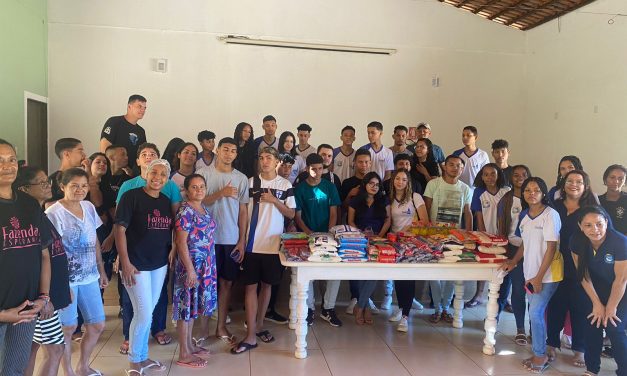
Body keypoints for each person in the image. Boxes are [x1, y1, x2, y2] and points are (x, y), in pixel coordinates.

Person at [116, 143, 181, 353]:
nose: (158, 177)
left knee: (147, 312)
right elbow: (119, 230)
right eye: (154, 171)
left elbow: (170, 228)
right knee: (143, 314)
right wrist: (124, 261)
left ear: (167, 179)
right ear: (146, 173)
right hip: (136, 265)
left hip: (159, 264)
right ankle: (136, 359)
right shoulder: (131, 196)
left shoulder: (164, 200)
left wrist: (172, 249)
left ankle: (141, 354)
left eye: (163, 174)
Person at [232, 147, 296, 354]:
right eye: (262, 157)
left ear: (277, 161)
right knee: (250, 287)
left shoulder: (285, 184)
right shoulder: (250, 183)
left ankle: (259, 325)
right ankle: (250, 335)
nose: (265, 161)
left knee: (267, 286)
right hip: (252, 245)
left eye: (269, 157)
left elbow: (292, 214)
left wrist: (275, 200)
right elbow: (242, 213)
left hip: (273, 245)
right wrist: (241, 241)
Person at [45, 168, 108, 376]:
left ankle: (83, 366)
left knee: (97, 324)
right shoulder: (53, 213)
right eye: (74, 186)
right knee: (68, 329)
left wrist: (101, 269)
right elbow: (51, 253)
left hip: (90, 276)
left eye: (84, 185)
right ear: (62, 187)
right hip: (67, 280)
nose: (81, 190)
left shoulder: (88, 206)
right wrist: (61, 284)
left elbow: (94, 240)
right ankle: (68, 370)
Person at [500, 177, 563, 374]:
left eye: (536, 190)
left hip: (548, 275)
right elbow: (525, 244)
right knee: (535, 313)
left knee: (535, 313)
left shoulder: (550, 215)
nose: (531, 193)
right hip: (530, 273)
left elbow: (551, 248)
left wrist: (538, 277)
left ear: (544, 193)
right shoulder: (525, 215)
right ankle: (540, 351)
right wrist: (514, 260)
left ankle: (540, 355)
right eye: (528, 190)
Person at [0, 139, 52, 376]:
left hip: (27, 308)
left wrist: (43, 297)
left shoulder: (30, 204)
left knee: (16, 370)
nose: (7, 166)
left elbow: (43, 255)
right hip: (2, 311)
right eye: (0, 161)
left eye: (11, 159)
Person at [14, 166, 70, 376]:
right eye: (42, 183)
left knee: (32, 346)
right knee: (56, 349)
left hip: (47, 295)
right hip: (42, 298)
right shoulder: (26, 219)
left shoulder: (39, 214)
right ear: (24, 189)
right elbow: (32, 262)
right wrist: (44, 297)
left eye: (48, 181)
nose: (48, 186)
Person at [198, 137, 249, 345]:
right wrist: (221, 193)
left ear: (236, 155)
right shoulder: (203, 174)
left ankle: (220, 326)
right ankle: (203, 329)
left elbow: (243, 211)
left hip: (230, 238)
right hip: (205, 239)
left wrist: (242, 240)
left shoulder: (242, 178)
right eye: (225, 149)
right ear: (217, 150)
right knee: (204, 284)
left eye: (233, 151)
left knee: (226, 282)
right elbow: (197, 202)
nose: (229, 154)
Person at [546, 170, 597, 367]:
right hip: (556, 263)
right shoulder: (554, 206)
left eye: (579, 182)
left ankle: (579, 350)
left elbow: (602, 233)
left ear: (585, 186)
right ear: (563, 183)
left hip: (582, 268)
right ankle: (551, 344)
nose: (573, 184)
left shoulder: (590, 209)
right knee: (555, 306)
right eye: (569, 181)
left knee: (580, 308)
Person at [571, 206, 627, 376]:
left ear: (606, 223)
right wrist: (596, 303)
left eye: (599, 224)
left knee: (614, 328)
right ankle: (592, 369)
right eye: (588, 225)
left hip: (620, 293)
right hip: (592, 290)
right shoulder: (576, 240)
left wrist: (610, 307)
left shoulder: (620, 242)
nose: (595, 229)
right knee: (592, 325)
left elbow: (621, 279)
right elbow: (583, 274)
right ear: (580, 226)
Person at [172, 174, 218, 368]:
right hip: (190, 266)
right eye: (194, 187)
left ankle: (190, 346)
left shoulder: (202, 208)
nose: (199, 190)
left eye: (202, 186)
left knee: (193, 309)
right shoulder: (185, 211)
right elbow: (180, 242)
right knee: (185, 308)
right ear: (187, 190)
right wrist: (190, 270)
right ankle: (184, 353)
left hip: (205, 266)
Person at [423, 155, 473, 324]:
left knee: (452, 275)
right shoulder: (433, 184)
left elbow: (468, 212)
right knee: (434, 275)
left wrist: (468, 234)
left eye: (458, 165)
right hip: (433, 237)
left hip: (455, 237)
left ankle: (445, 308)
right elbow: (426, 208)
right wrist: (427, 233)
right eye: (451, 164)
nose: (454, 168)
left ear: (462, 169)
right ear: (444, 166)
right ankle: (437, 309)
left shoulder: (465, 188)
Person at [294, 153, 342, 327]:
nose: (317, 172)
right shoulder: (300, 189)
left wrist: (329, 233)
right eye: (313, 169)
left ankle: (328, 308)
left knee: (335, 273)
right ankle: (309, 309)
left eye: (320, 168)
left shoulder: (330, 187)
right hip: (307, 236)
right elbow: (297, 216)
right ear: (307, 169)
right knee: (309, 274)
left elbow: (334, 212)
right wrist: (309, 233)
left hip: (328, 236)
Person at [465, 163, 511, 308]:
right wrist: (484, 236)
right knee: (484, 265)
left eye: (493, 174)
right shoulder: (479, 192)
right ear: (482, 177)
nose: (490, 177)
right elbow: (478, 215)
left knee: (506, 266)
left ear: (498, 175)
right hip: (486, 234)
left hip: (505, 235)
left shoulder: (506, 191)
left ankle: (506, 299)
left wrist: (503, 235)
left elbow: (510, 215)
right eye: (486, 174)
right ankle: (479, 295)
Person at [388, 169, 429, 332]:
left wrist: (408, 230)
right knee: (398, 277)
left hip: (412, 242)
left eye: (404, 179)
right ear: (393, 181)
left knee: (409, 277)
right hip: (394, 241)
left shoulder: (415, 197)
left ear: (408, 182)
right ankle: (400, 307)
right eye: (397, 179)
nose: (400, 182)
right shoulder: (389, 198)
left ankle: (406, 315)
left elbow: (425, 221)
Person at [348, 172, 391, 325]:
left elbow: (388, 220)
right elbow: (350, 221)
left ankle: (360, 306)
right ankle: (365, 307)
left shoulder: (383, 200)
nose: (374, 187)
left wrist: (379, 236)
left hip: (379, 241)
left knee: (373, 273)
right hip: (359, 241)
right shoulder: (355, 201)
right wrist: (361, 235)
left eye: (377, 185)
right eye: (371, 183)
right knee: (361, 273)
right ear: (365, 184)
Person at [496, 165, 532, 345]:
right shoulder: (506, 199)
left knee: (527, 291)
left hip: (531, 251)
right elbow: (501, 225)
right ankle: (515, 328)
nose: (520, 177)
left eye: (524, 175)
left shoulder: (534, 198)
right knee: (510, 289)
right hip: (510, 248)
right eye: (516, 175)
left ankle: (529, 329)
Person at [340, 150, 379, 315]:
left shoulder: (376, 182)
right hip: (354, 232)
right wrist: (350, 194)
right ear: (354, 163)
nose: (363, 165)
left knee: (372, 266)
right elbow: (342, 207)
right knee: (354, 263)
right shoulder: (348, 182)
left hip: (375, 234)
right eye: (360, 162)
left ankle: (366, 298)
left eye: (366, 162)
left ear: (370, 163)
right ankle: (355, 297)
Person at [99, 94, 147, 170]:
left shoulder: (141, 131)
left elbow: (143, 153)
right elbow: (104, 148)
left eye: (145, 108)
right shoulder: (114, 122)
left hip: (132, 174)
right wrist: (110, 169)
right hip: (113, 171)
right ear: (129, 107)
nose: (143, 110)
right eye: (139, 106)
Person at [47, 138, 88, 205]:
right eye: (80, 151)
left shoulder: (83, 176)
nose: (84, 155)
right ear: (66, 154)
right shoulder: (52, 180)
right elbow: (49, 206)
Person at [599, 164, 626, 234]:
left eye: (620, 179)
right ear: (605, 179)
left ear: (624, 182)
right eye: (612, 177)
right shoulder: (597, 201)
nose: (616, 181)